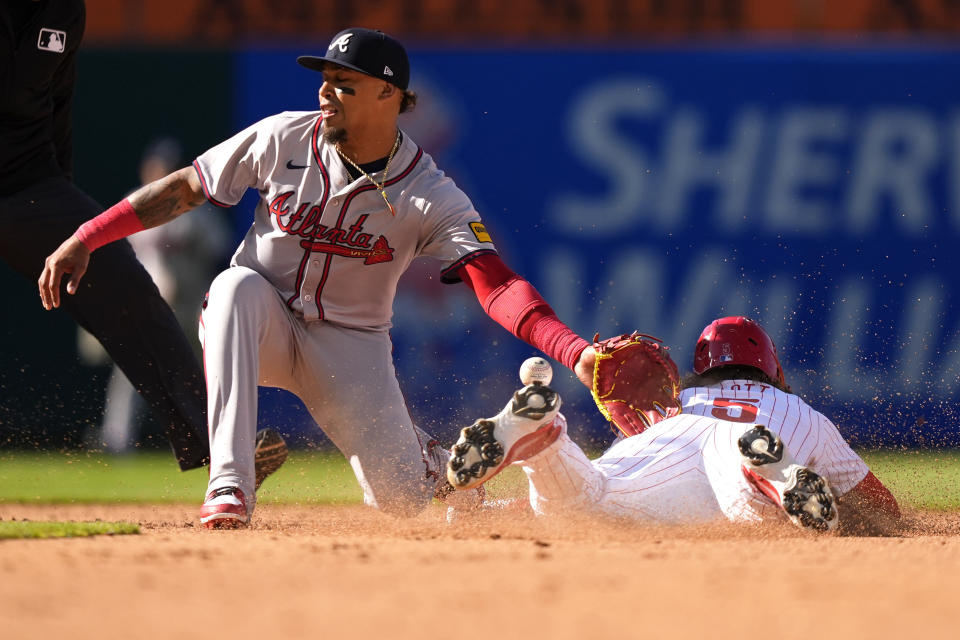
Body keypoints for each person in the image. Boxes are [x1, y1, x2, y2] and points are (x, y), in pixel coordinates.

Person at [38, 27, 598, 528]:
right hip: (263, 321)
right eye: (325, 80)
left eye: (343, 83)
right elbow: (187, 187)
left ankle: (431, 467)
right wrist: (88, 236)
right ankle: (230, 482)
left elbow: (495, 283)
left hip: (350, 349)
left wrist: (571, 352)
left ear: (389, 96)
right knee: (235, 288)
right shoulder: (281, 137)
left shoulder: (428, 192)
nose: (325, 93)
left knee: (401, 501)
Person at [2, 1, 285, 485]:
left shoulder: (63, 7)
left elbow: (57, 103)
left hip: (27, 183)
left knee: (114, 267)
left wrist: (61, 208)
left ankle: (222, 449)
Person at [447, 316, 901, 536]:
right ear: (773, 370)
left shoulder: (670, 400)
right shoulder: (804, 414)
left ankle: (545, 442)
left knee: (589, 497)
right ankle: (764, 478)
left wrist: (483, 516)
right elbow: (885, 511)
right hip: (750, 449)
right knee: (744, 512)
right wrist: (853, 518)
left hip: (669, 444)